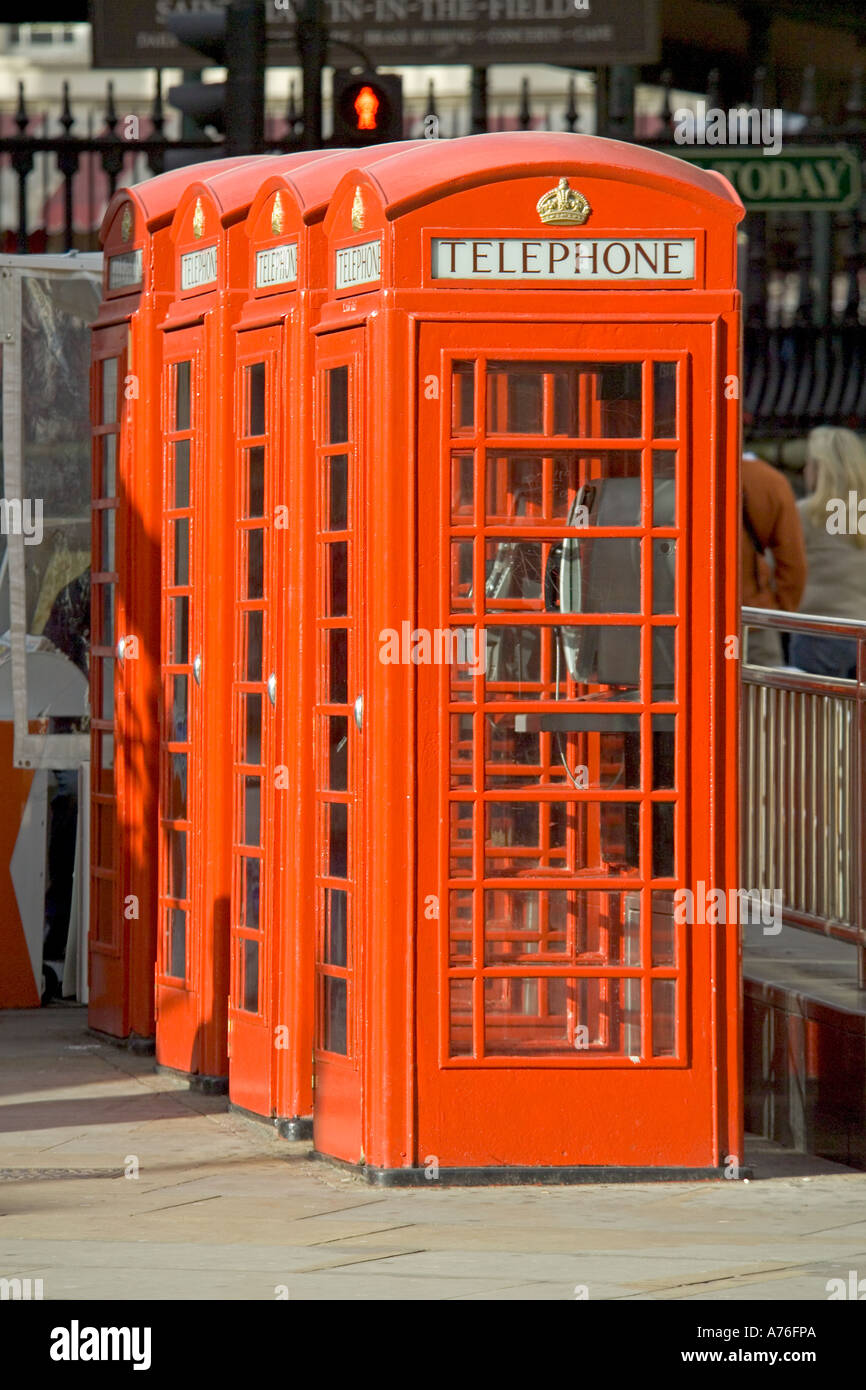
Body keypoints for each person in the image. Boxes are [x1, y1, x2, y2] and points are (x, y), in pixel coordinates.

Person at [789, 428, 866, 679]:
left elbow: (778, 569)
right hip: (861, 630)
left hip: (817, 633)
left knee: (815, 717)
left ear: (820, 469)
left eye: (809, 463)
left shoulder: (804, 514)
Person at [742, 452, 807, 666]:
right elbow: (792, 562)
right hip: (755, 620)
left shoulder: (678, 473)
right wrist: (780, 615)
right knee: (762, 697)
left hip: (688, 622)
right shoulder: (771, 481)